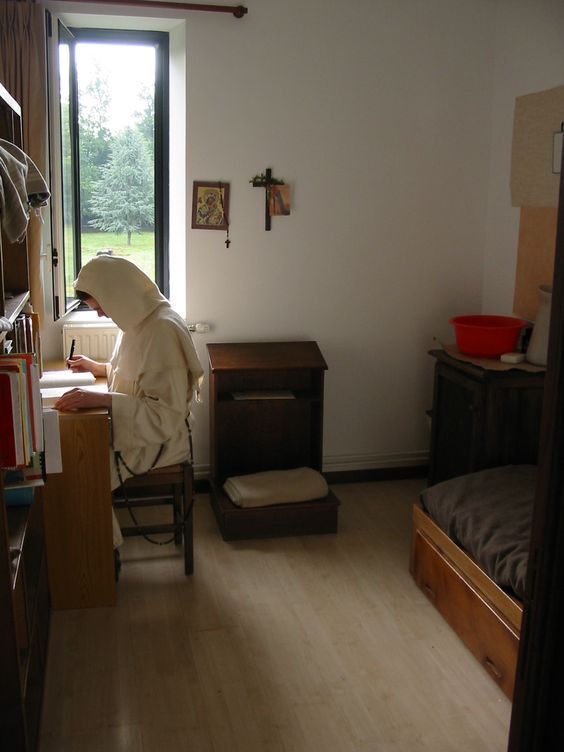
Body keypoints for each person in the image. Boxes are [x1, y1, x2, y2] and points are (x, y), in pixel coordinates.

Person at [54, 255, 204, 556]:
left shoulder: (161, 328)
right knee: (79, 453)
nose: (99, 316)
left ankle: (100, 557)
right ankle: (93, 552)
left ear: (116, 294)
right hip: (144, 428)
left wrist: (100, 398)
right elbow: (135, 379)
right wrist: (100, 369)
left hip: (166, 437)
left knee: (86, 465)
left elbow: (165, 414)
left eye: (99, 307)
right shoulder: (137, 319)